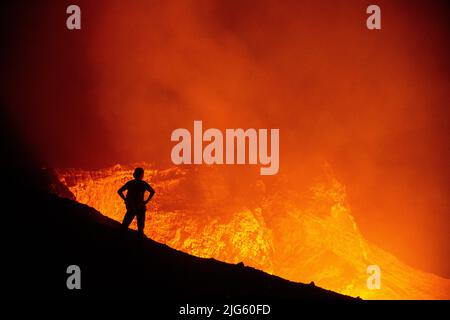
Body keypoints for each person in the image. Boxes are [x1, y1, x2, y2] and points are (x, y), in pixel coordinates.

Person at [117, 167, 155, 236]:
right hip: (139, 207)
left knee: (125, 225)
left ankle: (122, 239)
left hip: (133, 207)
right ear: (141, 175)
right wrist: (146, 201)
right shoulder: (143, 184)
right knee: (140, 229)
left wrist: (126, 199)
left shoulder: (131, 183)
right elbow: (152, 192)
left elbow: (119, 191)